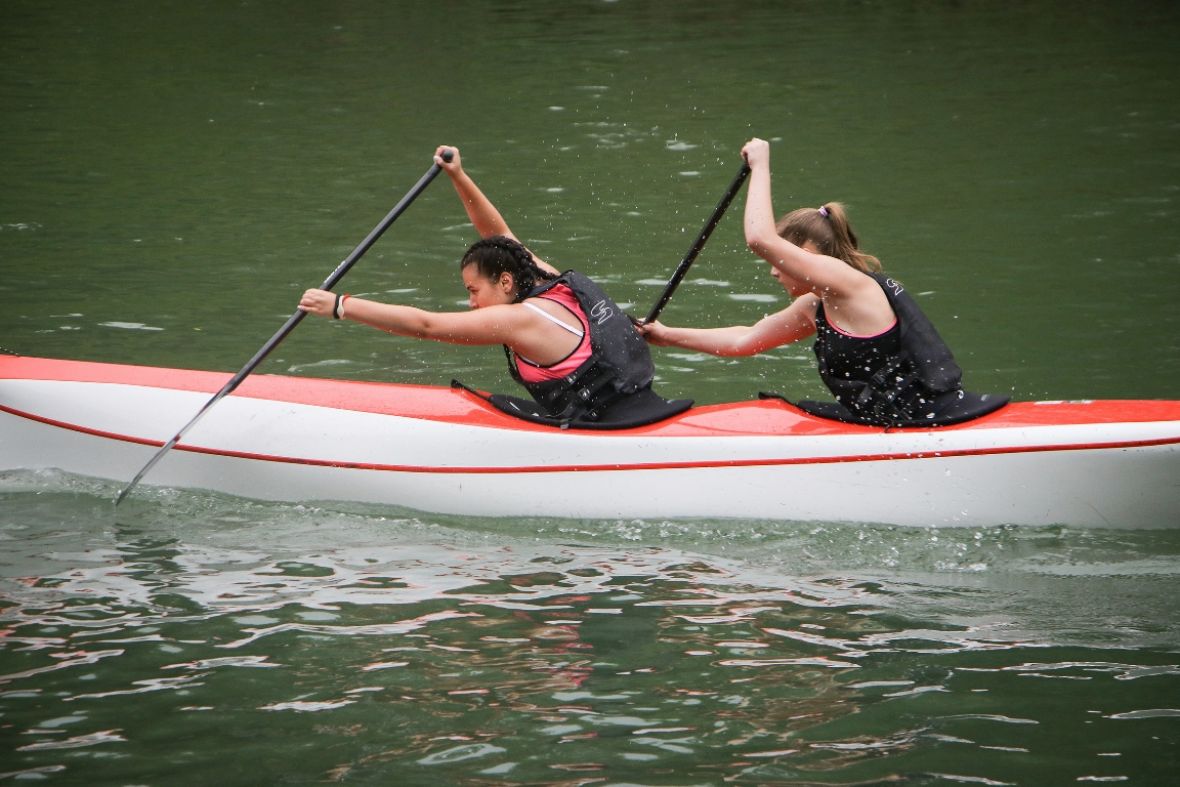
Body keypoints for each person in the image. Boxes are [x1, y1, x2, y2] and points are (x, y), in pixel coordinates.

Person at [299, 146, 689, 428]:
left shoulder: (519, 319)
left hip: (612, 430)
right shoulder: (544, 280)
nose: (470, 302)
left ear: (505, 282)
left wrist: (341, 306)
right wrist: (458, 176)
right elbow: (498, 233)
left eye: (472, 291)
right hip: (638, 407)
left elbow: (426, 326)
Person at [639, 137, 1005, 427]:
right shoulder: (816, 304)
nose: (773, 270)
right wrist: (666, 335)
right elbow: (744, 340)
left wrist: (761, 165)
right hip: (879, 422)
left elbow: (759, 239)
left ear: (810, 254)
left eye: (784, 258)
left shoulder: (849, 284)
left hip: (926, 421)